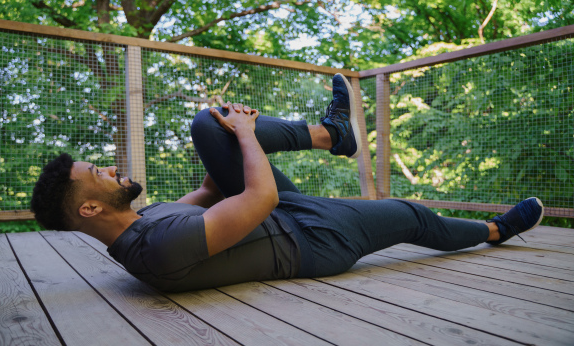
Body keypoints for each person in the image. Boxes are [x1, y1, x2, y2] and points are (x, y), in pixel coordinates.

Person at [30, 74, 545, 292]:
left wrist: (231, 133)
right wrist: (250, 134)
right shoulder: (156, 249)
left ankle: (332, 134)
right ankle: (494, 230)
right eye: (96, 175)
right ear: (91, 210)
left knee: (208, 124)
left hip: (282, 215)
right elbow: (259, 197)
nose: (109, 170)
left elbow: (213, 191)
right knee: (411, 216)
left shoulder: (148, 219)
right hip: (314, 240)